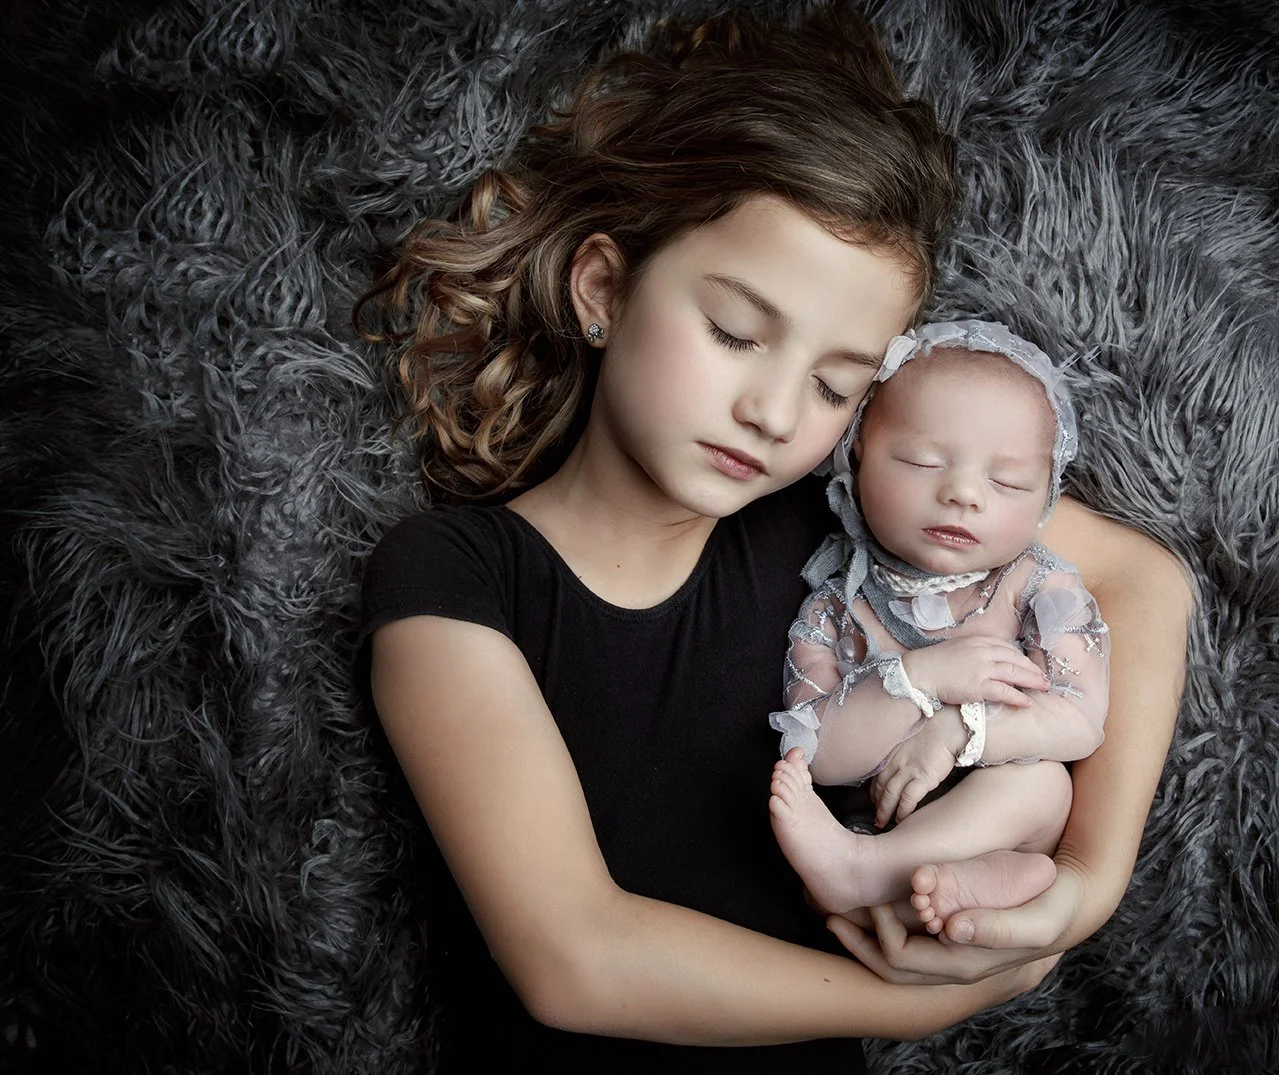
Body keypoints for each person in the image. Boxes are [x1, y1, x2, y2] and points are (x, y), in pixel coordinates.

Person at [354, 5, 1193, 1072]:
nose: (773, 410)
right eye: (734, 333)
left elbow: (1139, 575)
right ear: (604, 288)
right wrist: (901, 1006)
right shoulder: (452, 577)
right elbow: (573, 957)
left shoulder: (833, 518)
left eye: (837, 383)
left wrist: (1086, 880)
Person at [767, 321, 1109, 939]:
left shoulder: (1039, 590)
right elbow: (814, 756)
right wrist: (920, 678)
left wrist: (957, 730)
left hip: (998, 815)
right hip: (874, 822)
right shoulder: (837, 604)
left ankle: (870, 875)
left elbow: (1080, 718)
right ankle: (943, 886)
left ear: (1046, 499)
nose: (962, 494)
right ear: (857, 455)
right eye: (923, 461)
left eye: (1006, 482)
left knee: (1043, 785)